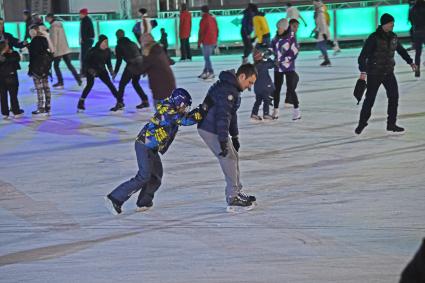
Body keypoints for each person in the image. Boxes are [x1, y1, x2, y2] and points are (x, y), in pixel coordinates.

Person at [105, 88, 207, 215]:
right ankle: (115, 198)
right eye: (184, 106)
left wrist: (199, 110)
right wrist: (202, 112)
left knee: (156, 175)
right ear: (177, 102)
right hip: (144, 145)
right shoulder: (167, 110)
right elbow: (184, 120)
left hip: (151, 147)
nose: (184, 109)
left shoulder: (173, 109)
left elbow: (183, 117)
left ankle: (144, 202)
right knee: (143, 176)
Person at [197, 64, 258, 212]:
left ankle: (236, 191)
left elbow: (232, 115)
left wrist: (235, 136)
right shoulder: (227, 90)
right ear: (242, 76)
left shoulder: (232, 88)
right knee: (228, 159)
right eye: (249, 82)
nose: (249, 87)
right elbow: (222, 117)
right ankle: (232, 197)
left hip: (216, 128)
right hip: (210, 128)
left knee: (233, 156)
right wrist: (223, 141)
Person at [355, 13, 417, 135]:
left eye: (393, 23)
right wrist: (363, 71)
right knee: (370, 100)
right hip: (374, 73)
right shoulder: (373, 37)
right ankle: (362, 123)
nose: (393, 25)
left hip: (388, 73)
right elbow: (362, 56)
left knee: (394, 97)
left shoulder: (393, 37)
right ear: (384, 24)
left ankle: (391, 124)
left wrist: (410, 62)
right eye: (390, 23)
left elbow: (401, 51)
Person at [77, 35, 121, 112]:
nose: (106, 44)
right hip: (92, 69)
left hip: (102, 70)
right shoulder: (93, 51)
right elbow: (85, 62)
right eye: (104, 42)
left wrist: (111, 71)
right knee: (89, 85)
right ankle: (81, 102)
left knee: (110, 84)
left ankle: (120, 101)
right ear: (100, 42)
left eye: (107, 42)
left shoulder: (107, 51)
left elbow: (108, 62)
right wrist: (90, 70)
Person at [271, 19, 301, 120]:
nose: (278, 29)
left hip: (288, 67)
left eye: (279, 28)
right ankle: (275, 111)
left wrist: (283, 60)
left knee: (291, 88)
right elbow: (272, 48)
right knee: (277, 89)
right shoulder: (275, 38)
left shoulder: (291, 38)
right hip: (277, 67)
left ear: (284, 28)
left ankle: (297, 111)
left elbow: (294, 52)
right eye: (277, 28)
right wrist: (268, 53)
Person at [113, 29, 149, 110]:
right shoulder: (133, 43)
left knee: (122, 84)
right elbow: (140, 54)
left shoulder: (118, 46)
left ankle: (120, 102)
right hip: (140, 64)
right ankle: (145, 100)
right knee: (135, 83)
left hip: (131, 66)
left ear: (117, 37)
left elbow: (119, 61)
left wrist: (115, 72)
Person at [137, 33, 176, 105]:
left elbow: (141, 68)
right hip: (167, 84)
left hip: (161, 87)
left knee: (162, 110)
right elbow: (170, 61)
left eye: (141, 42)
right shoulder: (158, 48)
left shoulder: (151, 52)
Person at [46, 13, 82, 89]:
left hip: (58, 50)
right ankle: (78, 79)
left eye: (47, 18)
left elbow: (54, 39)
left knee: (56, 66)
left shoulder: (53, 26)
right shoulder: (59, 24)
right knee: (69, 65)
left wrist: (52, 50)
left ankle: (60, 82)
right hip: (65, 48)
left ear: (50, 18)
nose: (46, 20)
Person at [28, 25, 53, 116]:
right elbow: (52, 51)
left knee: (39, 89)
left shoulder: (33, 42)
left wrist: (30, 70)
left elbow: (32, 57)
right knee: (46, 87)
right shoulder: (44, 39)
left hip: (36, 68)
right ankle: (48, 106)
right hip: (45, 68)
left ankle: (40, 107)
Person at [0, 41, 24, 119]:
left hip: (2, 78)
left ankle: (5, 113)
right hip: (11, 77)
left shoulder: (10, 54)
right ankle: (16, 111)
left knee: (3, 96)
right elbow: (17, 59)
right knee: (13, 95)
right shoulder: (13, 54)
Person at [250, 49, 274, 121]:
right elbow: (272, 64)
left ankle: (254, 113)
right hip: (265, 87)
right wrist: (268, 58)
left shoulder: (253, 66)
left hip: (257, 88)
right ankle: (266, 114)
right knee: (266, 100)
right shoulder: (263, 64)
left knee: (258, 101)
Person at [198, 5, 218, 80]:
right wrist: (216, 40)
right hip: (212, 40)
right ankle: (205, 71)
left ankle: (210, 72)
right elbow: (216, 29)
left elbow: (201, 32)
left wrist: (199, 42)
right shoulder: (213, 19)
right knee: (207, 57)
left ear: (202, 11)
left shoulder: (203, 20)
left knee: (207, 58)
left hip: (207, 41)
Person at [313, 0, 331, 66]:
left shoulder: (320, 13)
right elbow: (319, 23)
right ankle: (326, 60)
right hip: (322, 32)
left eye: (314, 5)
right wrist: (315, 29)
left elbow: (323, 24)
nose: (314, 6)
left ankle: (327, 60)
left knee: (321, 45)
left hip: (323, 32)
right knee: (321, 46)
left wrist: (324, 34)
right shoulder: (319, 12)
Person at [410, 0, 425, 77]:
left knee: (418, 53)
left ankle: (417, 70)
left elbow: (411, 22)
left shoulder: (412, 9)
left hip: (417, 32)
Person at [79, 8, 95, 77]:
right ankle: (85, 72)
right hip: (88, 40)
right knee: (85, 56)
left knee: (84, 57)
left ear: (83, 14)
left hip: (86, 41)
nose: (79, 15)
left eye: (80, 14)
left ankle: (84, 72)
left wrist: (83, 39)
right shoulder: (87, 19)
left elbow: (84, 31)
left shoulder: (85, 20)